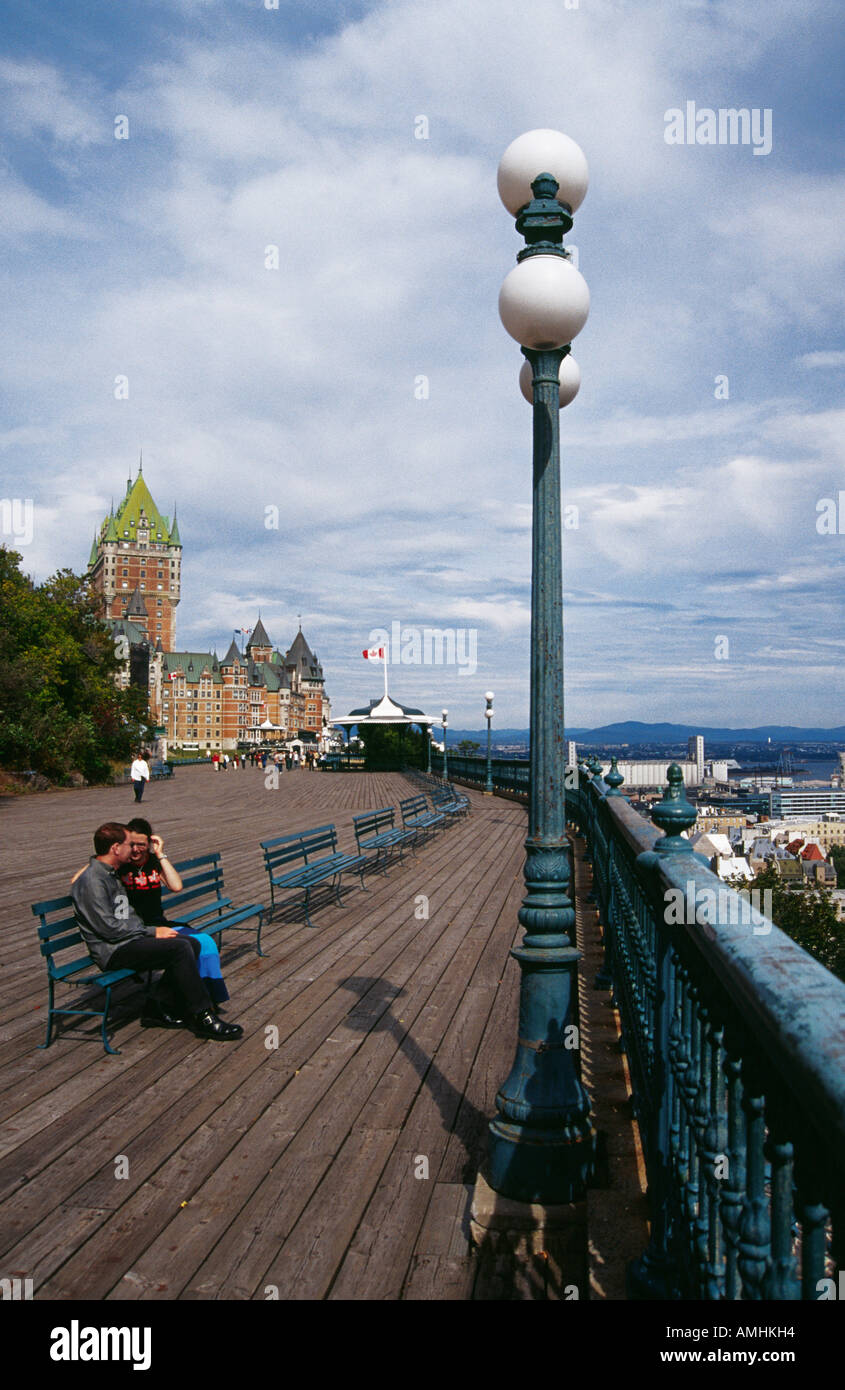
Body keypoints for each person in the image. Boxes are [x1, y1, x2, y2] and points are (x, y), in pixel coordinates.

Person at [70, 823, 242, 1041]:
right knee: (179, 947)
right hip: (114, 950)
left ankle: (156, 1006)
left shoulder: (110, 874)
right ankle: (203, 1015)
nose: (132, 849)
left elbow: (123, 916)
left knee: (193, 944)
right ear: (115, 848)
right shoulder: (94, 881)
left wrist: (147, 932)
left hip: (129, 939)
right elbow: (109, 929)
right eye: (128, 844)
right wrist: (152, 932)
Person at [123, 818, 231, 1008]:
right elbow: (83, 876)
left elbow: (176, 885)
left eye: (141, 844)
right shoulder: (120, 866)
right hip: (139, 931)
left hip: (160, 924)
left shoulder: (153, 863)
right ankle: (196, 1003)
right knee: (190, 946)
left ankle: (209, 997)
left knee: (206, 942)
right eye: (131, 844)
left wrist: (160, 854)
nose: (136, 850)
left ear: (149, 843)